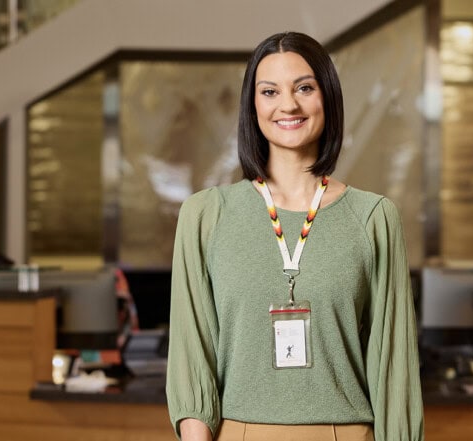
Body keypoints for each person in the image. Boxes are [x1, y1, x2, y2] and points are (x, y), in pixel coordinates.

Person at [166, 31, 424, 441]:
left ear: (328, 98)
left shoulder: (374, 218)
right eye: (270, 91)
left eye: (304, 87)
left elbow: (394, 367)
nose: (288, 104)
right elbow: (192, 349)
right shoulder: (206, 215)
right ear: (253, 106)